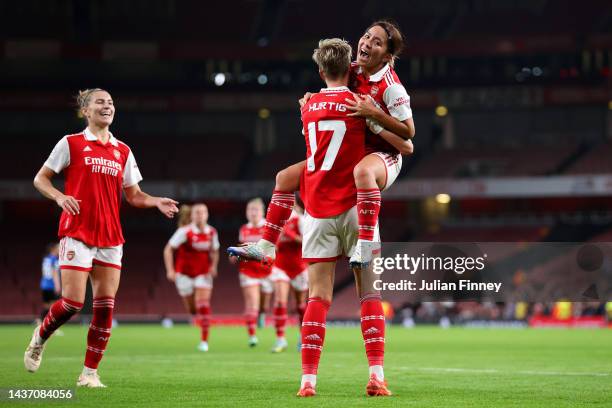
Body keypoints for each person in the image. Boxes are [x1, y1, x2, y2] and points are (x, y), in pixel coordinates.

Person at [24, 88, 179, 388]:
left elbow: (134, 195)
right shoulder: (71, 143)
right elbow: (40, 178)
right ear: (86, 110)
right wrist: (59, 197)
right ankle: (40, 337)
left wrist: (155, 201)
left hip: (111, 237)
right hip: (77, 232)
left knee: (105, 307)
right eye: (100, 102)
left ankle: (89, 374)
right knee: (71, 302)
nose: (107, 106)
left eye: (110, 103)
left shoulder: (123, 150)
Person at [229, 20, 414, 268]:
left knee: (363, 172)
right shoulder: (354, 70)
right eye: (367, 36)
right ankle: (266, 246)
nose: (367, 43)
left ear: (387, 56)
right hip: (353, 150)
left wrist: (374, 115)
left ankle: (366, 244)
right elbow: (334, 85)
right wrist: (313, 99)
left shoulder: (392, 88)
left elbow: (408, 135)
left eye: (376, 42)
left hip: (384, 154)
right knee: (284, 177)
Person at [290, 38, 390, 396]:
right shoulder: (359, 103)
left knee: (317, 297)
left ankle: (307, 381)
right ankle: (376, 375)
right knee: (369, 293)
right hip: (355, 206)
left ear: (319, 71)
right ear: (350, 68)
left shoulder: (308, 106)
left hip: (316, 210)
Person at [164, 203, 219, 352]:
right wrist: (170, 270)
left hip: (203, 273)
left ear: (207, 215)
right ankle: (196, 315)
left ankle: (204, 341)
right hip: (184, 274)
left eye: (203, 212)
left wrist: (213, 266)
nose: (200, 215)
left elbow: (215, 251)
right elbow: (168, 249)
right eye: (197, 212)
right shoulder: (184, 232)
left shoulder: (212, 232)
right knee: (192, 310)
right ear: (192, 216)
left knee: (203, 305)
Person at [230, 198, 273, 347]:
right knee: (251, 304)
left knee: (264, 306)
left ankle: (262, 314)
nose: (253, 213)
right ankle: (252, 336)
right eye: (250, 210)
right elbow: (241, 247)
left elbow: (274, 247)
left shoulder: (268, 227)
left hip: (267, 271)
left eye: (256, 210)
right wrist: (235, 254)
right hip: (247, 271)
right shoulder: (244, 229)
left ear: (262, 212)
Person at [269, 196, 308, 353]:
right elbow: (271, 246)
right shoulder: (275, 222)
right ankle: (280, 339)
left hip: (299, 267)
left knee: (300, 305)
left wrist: (291, 235)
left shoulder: (299, 220)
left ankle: (302, 337)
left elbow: (307, 241)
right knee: (280, 301)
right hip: (280, 267)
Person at [39, 243, 61, 325]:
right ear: (53, 249)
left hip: (44, 285)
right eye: (58, 248)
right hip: (51, 285)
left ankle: (40, 321)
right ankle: (51, 326)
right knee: (53, 308)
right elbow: (54, 272)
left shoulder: (46, 259)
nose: (59, 250)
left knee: (47, 307)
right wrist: (57, 286)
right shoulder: (54, 259)